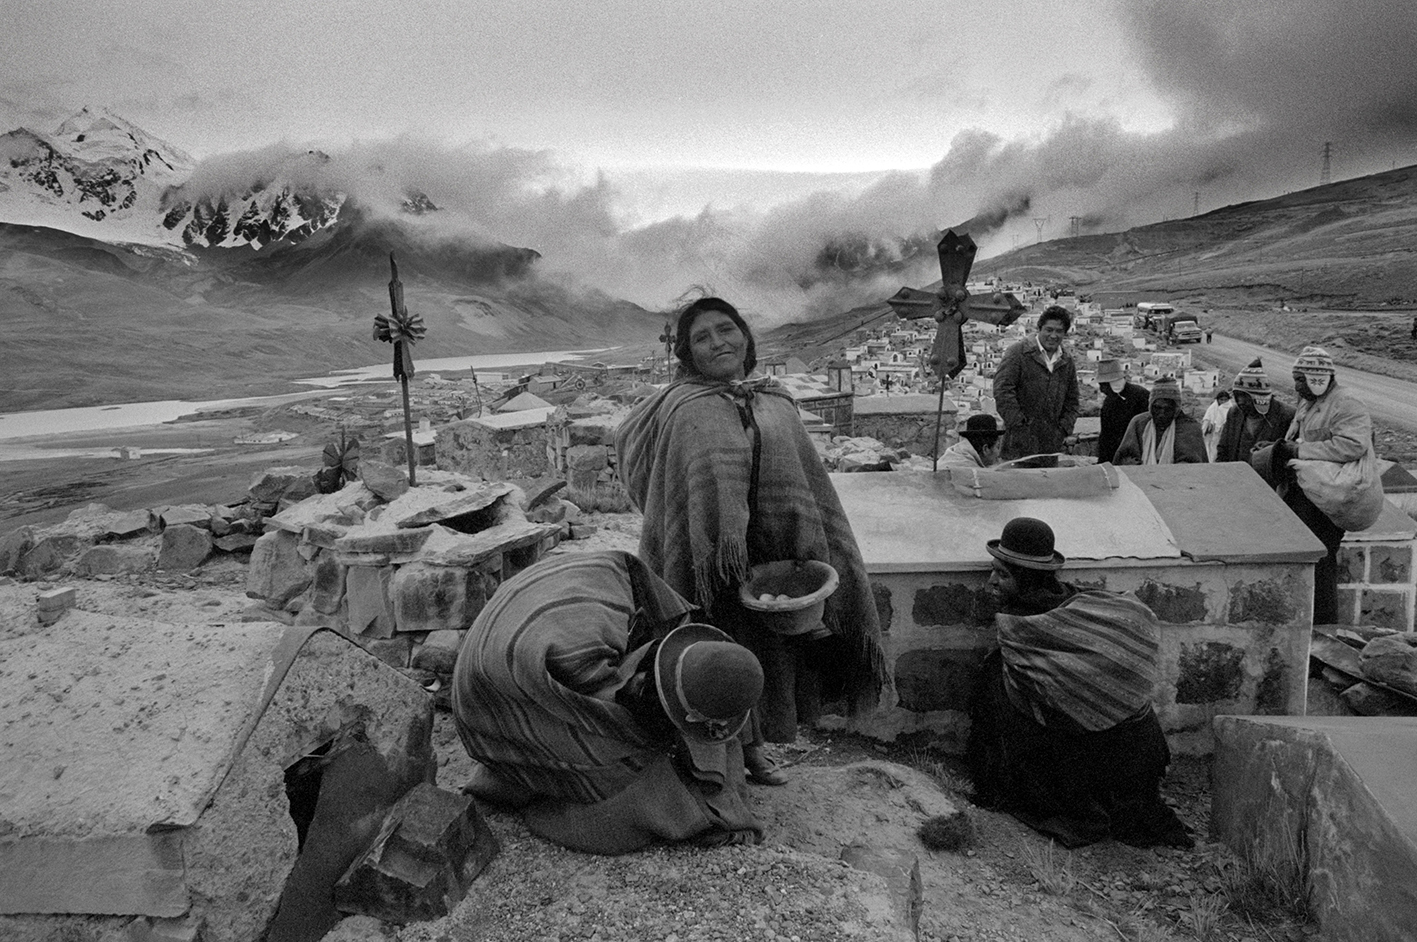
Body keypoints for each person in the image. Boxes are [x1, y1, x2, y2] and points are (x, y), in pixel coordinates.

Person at [616, 296, 888, 785]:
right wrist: (712, 537)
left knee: (766, 655)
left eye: (727, 328)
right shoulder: (684, 410)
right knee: (709, 650)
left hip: (774, 559)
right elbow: (662, 485)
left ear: (745, 334)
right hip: (705, 559)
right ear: (687, 354)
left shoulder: (776, 399)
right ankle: (706, 754)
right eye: (702, 337)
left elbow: (806, 480)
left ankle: (755, 749)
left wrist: (799, 540)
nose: (719, 342)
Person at [451, 550, 765, 854]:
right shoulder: (578, 661)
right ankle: (520, 763)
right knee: (616, 771)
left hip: (521, 606)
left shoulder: (619, 577)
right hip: (484, 694)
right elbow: (608, 710)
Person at [967, 517, 1192, 849]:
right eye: (993, 570)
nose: (991, 582)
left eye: (1002, 575)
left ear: (1028, 580)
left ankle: (1063, 794)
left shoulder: (1053, 620)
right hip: (1131, 756)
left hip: (1122, 756)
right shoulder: (1067, 600)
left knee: (996, 681)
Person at [1267, 347, 1374, 625]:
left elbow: (1353, 445)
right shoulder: (1309, 403)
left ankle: (1324, 630)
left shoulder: (1347, 403)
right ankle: (1304, 625)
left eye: (1301, 380)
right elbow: (1296, 440)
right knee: (1303, 560)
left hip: (1329, 499)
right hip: (1302, 493)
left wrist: (1300, 452)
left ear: (1317, 378)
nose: (1296, 386)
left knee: (1321, 561)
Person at [992, 306, 1080, 461]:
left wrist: (1064, 428)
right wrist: (1019, 425)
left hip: (1051, 447)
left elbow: (1072, 400)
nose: (1053, 335)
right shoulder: (1018, 353)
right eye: (1049, 330)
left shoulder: (1066, 361)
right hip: (1017, 446)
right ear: (1039, 329)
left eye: (1059, 331)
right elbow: (1002, 391)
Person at [1112, 375, 1208, 465]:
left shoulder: (1190, 428)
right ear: (1150, 407)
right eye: (1157, 408)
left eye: (1167, 409)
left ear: (1176, 408)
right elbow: (1123, 457)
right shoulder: (1138, 423)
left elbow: (1196, 466)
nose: (1162, 414)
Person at [1214, 359, 1295, 464]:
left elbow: (1291, 453)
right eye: (1237, 396)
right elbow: (1223, 449)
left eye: (1245, 396)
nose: (1240, 401)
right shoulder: (1234, 413)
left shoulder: (1286, 415)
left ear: (1259, 396)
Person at [1095, 358, 1150, 464]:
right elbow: (1105, 436)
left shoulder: (1141, 396)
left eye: (1103, 385)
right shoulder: (1109, 402)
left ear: (1112, 383)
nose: (1101, 390)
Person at [941, 413, 1006, 469]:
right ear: (985, 449)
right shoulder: (970, 471)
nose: (998, 454)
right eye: (997, 447)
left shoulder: (954, 455)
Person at [1200, 390, 1233, 462]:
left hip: (1225, 432)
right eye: (1221, 400)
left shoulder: (1231, 408)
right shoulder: (1212, 408)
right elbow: (1207, 418)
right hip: (1213, 432)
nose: (1223, 401)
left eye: (1225, 400)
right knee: (1211, 448)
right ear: (1217, 400)